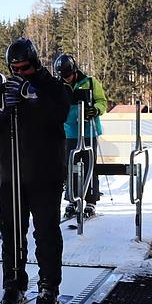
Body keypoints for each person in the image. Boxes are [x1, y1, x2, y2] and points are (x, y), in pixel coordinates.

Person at [0, 38, 70, 304]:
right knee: (11, 232)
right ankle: (13, 282)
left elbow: (60, 114)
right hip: (11, 174)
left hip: (44, 174)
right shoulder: (7, 90)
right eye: (15, 69)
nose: (20, 73)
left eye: (24, 68)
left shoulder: (51, 86)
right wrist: (0, 112)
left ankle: (48, 285)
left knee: (46, 231)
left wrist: (33, 97)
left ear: (34, 63)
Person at [53, 54, 107, 219]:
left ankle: (91, 200)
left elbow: (102, 101)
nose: (67, 79)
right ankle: (72, 199)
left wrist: (95, 109)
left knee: (90, 165)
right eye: (64, 76)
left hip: (89, 130)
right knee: (70, 165)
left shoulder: (90, 82)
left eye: (69, 75)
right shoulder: (59, 86)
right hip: (69, 131)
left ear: (74, 70)